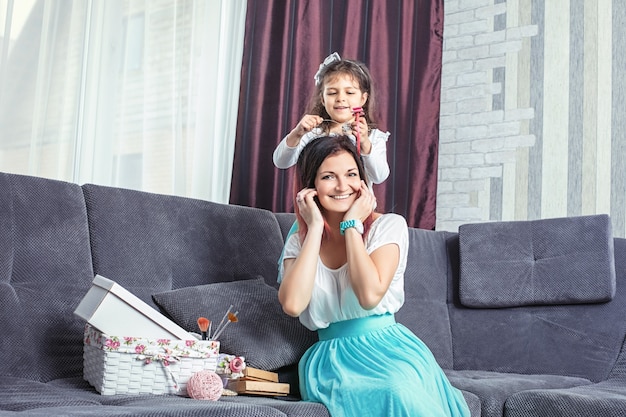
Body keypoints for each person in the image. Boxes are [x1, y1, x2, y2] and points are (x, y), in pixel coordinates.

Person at [277, 136, 470, 417]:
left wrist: (351, 226)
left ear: (364, 182)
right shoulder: (300, 240)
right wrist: (315, 227)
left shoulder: (389, 227)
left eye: (351, 174)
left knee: (397, 391)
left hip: (388, 350)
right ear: (310, 187)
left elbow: (368, 296)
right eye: (329, 176)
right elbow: (293, 304)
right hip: (329, 361)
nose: (343, 186)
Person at [273, 51, 390, 189]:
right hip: (318, 208)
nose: (340, 98)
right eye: (332, 93)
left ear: (363, 99)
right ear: (323, 99)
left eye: (350, 92)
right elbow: (280, 162)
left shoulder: (373, 137)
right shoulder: (312, 134)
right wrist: (297, 133)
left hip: (360, 209)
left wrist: (364, 142)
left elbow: (379, 176)